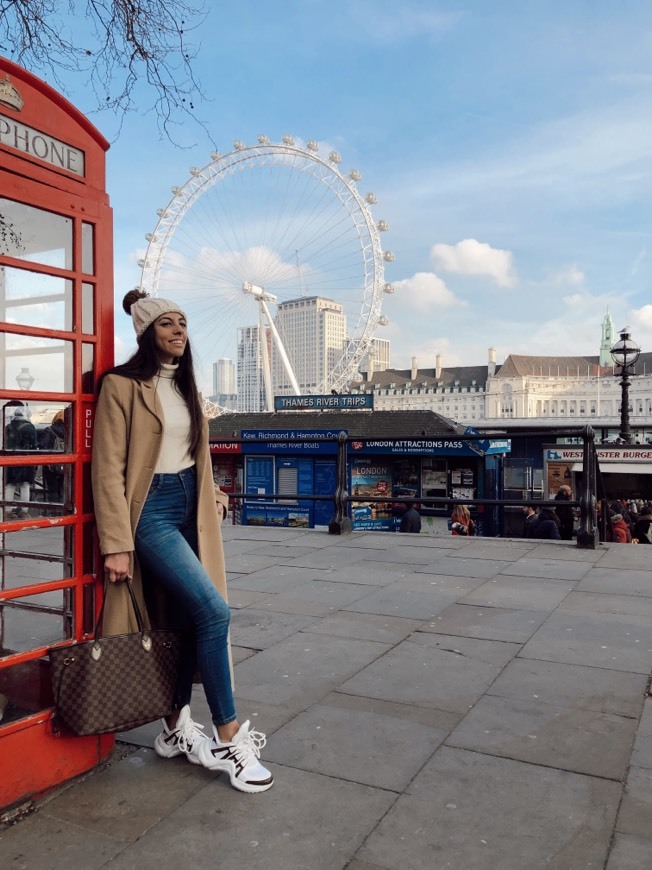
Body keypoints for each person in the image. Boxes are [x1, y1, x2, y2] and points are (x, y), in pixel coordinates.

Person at [91, 289, 273, 794]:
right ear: (147, 333)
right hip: (149, 514)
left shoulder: (189, 387)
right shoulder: (121, 386)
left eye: (183, 324)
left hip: (190, 507)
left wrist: (211, 490)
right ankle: (229, 739)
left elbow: (192, 452)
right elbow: (107, 468)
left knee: (188, 616)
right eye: (167, 324)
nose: (178, 331)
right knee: (215, 612)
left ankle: (173, 728)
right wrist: (116, 543)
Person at [4, 405, 37, 518]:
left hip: (10, 459)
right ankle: (24, 511)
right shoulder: (30, 427)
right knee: (25, 485)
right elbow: (34, 446)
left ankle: (6, 511)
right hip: (25, 460)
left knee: (10, 485)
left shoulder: (8, 426)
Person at [39, 409, 65, 509]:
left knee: (52, 489)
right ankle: (64, 510)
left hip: (51, 465)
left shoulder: (49, 430)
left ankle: (54, 511)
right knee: (64, 488)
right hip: (67, 464)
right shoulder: (72, 430)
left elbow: (43, 446)